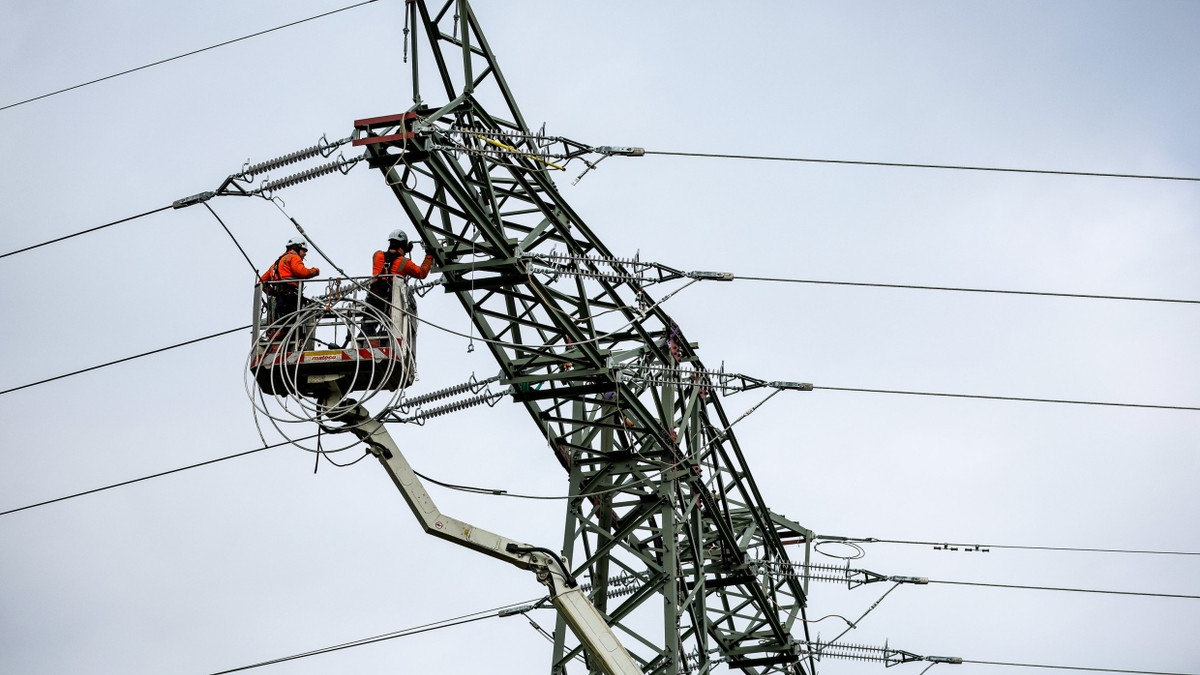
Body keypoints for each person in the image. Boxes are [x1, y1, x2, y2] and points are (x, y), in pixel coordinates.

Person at [366, 229, 433, 335]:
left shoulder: (377, 255)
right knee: (390, 327)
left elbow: (386, 261)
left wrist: (404, 250)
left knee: (368, 324)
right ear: (403, 245)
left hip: (374, 295)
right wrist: (429, 256)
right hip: (392, 298)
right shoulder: (405, 262)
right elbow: (421, 273)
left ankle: (365, 338)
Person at [260, 236, 320, 325]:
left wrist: (273, 292)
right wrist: (315, 271)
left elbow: (262, 282)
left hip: (280, 299)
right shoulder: (294, 257)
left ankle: (274, 335)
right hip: (290, 298)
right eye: (304, 250)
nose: (305, 253)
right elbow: (302, 272)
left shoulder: (276, 264)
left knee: (283, 324)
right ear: (297, 247)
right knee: (292, 325)